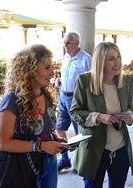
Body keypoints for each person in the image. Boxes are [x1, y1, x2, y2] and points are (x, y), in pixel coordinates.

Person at [0, 44, 68, 187]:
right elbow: (3, 143)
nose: (52, 73)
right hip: (21, 166)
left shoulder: (45, 95)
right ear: (30, 70)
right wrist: (41, 146)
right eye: (47, 68)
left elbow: (43, 131)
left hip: (48, 163)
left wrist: (55, 139)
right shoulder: (12, 100)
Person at [70, 42, 133, 187]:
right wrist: (98, 117)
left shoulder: (127, 81)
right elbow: (75, 112)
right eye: (111, 58)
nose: (117, 62)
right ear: (100, 61)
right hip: (94, 147)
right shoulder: (85, 81)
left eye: (118, 57)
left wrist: (130, 115)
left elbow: (129, 107)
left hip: (120, 147)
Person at [56, 31, 92, 172]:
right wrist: (61, 81)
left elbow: (91, 81)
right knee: (59, 128)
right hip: (63, 96)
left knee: (79, 133)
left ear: (77, 43)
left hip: (77, 98)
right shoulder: (65, 57)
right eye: (64, 42)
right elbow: (67, 76)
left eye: (68, 42)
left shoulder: (86, 59)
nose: (65, 45)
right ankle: (65, 160)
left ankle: (80, 161)